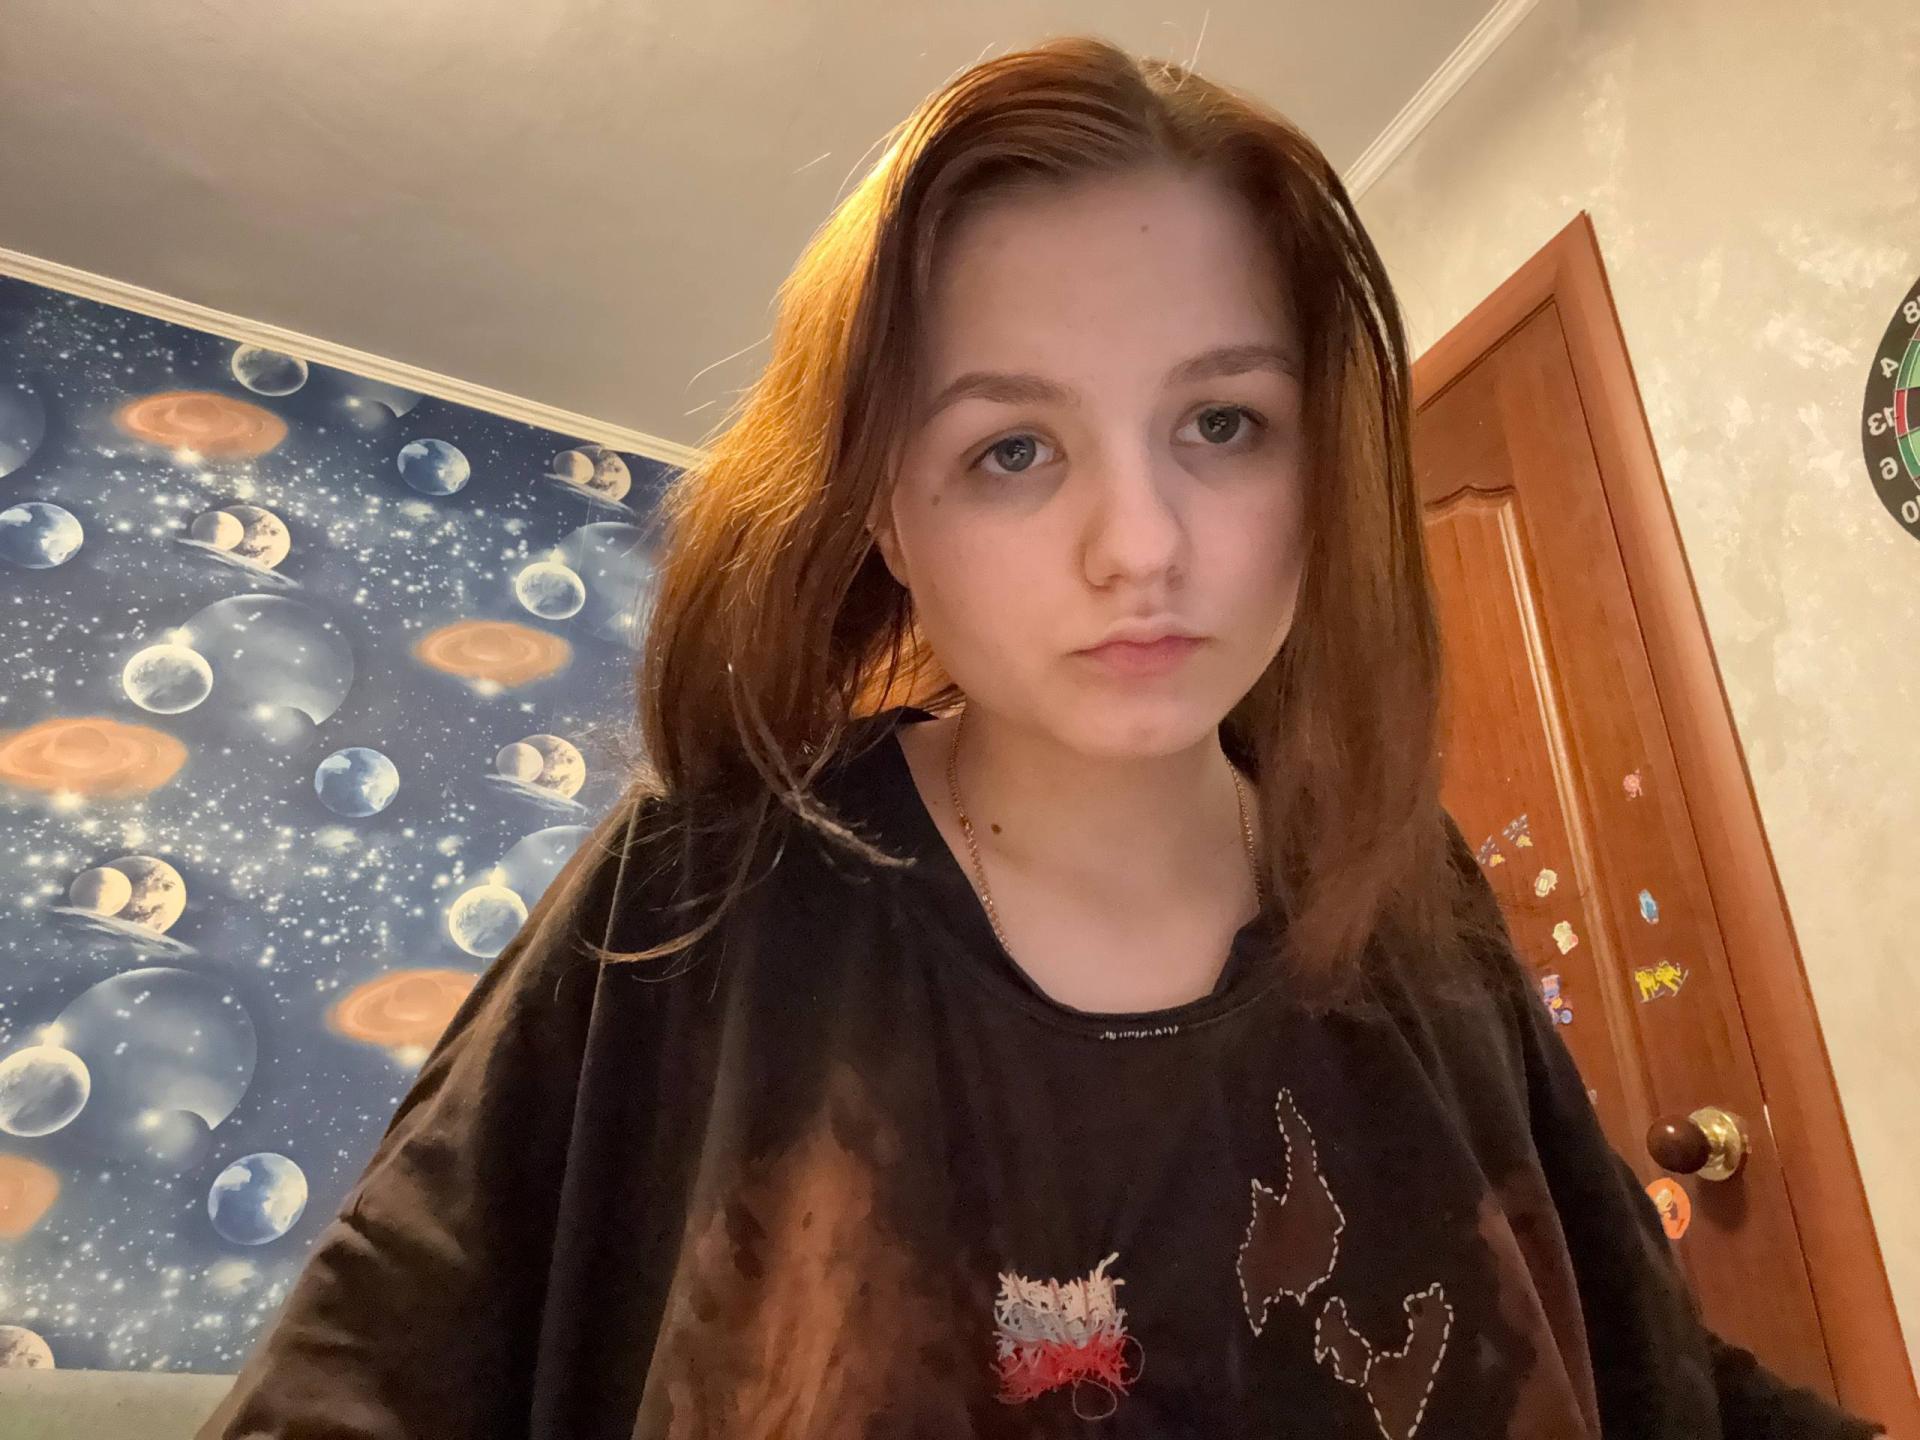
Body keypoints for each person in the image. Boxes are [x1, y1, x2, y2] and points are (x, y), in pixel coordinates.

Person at [199, 36, 1882, 1440]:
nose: (1140, 544)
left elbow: (1648, 1367)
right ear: (887, 514)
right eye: (1013, 450)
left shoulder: (1409, 895)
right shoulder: (706, 889)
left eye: (1222, 422)